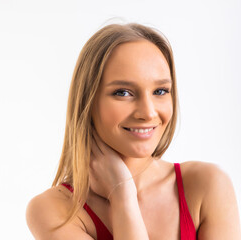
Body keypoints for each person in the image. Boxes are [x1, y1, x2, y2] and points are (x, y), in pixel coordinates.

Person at [25, 23, 241, 240]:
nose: (148, 113)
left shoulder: (207, 185)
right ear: (87, 102)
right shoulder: (54, 210)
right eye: (123, 92)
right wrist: (123, 196)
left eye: (160, 91)